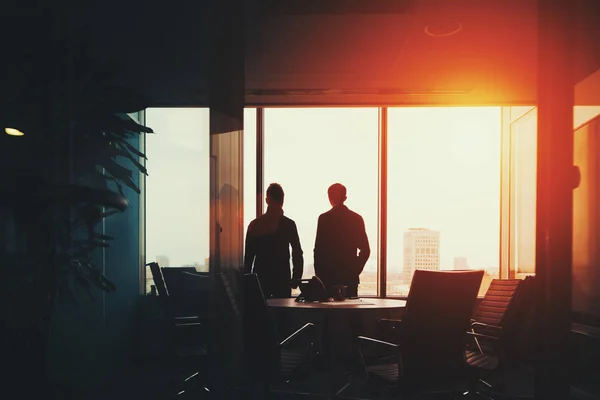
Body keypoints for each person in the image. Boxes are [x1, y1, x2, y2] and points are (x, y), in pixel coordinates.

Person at [244, 183, 303, 298]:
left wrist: (247, 281)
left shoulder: (255, 225)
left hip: (261, 279)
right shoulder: (289, 224)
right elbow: (297, 252)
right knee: (282, 313)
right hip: (282, 278)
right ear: (282, 200)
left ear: (267, 200)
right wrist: (296, 277)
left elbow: (248, 258)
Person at [314, 183, 370, 298]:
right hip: (350, 279)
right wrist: (354, 270)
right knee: (350, 313)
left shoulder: (324, 219)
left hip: (328, 278)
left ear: (329, 197)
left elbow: (318, 251)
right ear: (345, 198)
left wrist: (320, 276)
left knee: (329, 313)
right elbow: (366, 250)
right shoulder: (356, 219)